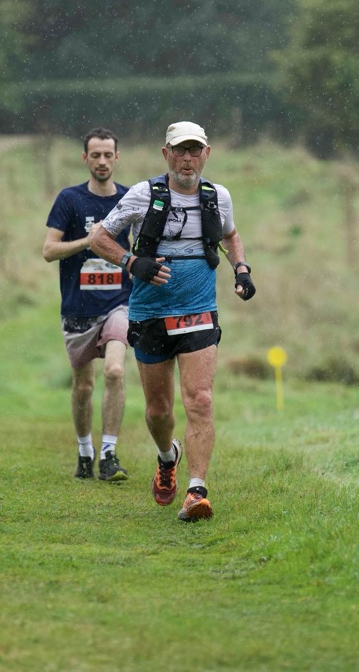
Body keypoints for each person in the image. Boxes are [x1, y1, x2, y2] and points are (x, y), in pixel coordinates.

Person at [91, 121, 256, 522]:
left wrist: (241, 269)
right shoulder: (142, 195)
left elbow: (231, 235)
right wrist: (132, 262)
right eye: (179, 150)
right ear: (166, 154)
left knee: (200, 400)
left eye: (194, 150)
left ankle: (196, 491)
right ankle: (168, 457)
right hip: (150, 314)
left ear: (206, 154)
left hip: (199, 311)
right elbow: (99, 237)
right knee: (159, 411)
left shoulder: (218, 196)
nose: (187, 158)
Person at [43, 127, 133, 482]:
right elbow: (49, 250)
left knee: (115, 371)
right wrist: (89, 241)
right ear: (85, 158)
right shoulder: (69, 200)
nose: (102, 161)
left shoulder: (129, 199)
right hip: (79, 307)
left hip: (120, 302)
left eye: (108, 155)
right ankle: (85, 451)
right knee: (83, 386)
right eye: (95, 155)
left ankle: (109, 454)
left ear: (117, 157)